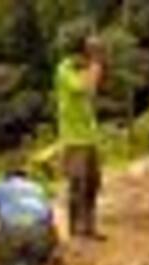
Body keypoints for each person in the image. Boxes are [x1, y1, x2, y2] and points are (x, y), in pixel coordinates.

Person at [55, 28, 104, 240]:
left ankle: (89, 227)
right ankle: (75, 231)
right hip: (73, 137)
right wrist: (95, 64)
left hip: (89, 135)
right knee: (77, 183)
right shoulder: (64, 69)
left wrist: (93, 65)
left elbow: (90, 91)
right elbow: (85, 88)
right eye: (87, 52)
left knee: (93, 182)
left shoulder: (83, 67)